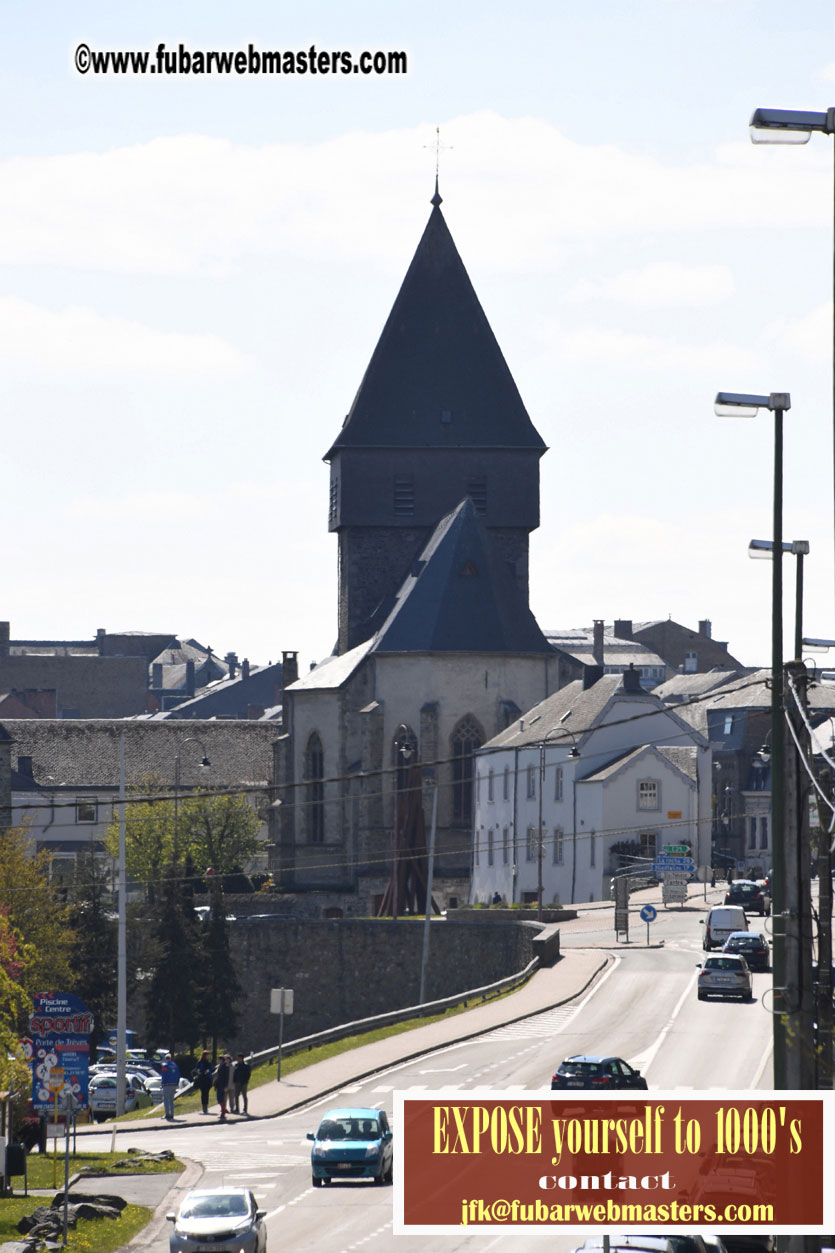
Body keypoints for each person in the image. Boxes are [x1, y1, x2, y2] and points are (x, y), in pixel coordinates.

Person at [160, 1053, 180, 1121]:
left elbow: (164, 1075)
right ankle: (172, 1114)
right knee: (171, 1100)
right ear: (170, 1058)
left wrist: (162, 1083)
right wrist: (177, 1083)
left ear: (166, 1059)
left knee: (166, 1100)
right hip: (174, 1084)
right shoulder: (175, 1065)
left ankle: (167, 1114)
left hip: (167, 1084)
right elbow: (178, 1074)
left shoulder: (165, 1065)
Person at [193, 1049, 213, 1115]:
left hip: (207, 1080)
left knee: (206, 1094)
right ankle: (203, 1107)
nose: (208, 1057)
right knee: (203, 1094)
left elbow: (211, 1069)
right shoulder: (200, 1062)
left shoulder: (208, 1062)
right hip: (201, 1080)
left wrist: (208, 1071)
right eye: (207, 1055)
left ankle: (206, 1106)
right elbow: (196, 1069)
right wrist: (199, 1072)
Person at [214, 1054, 231, 1120]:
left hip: (222, 1085)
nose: (218, 1061)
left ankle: (223, 1111)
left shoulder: (224, 1067)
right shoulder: (220, 1066)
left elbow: (226, 1077)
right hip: (219, 1084)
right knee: (219, 1098)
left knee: (220, 1098)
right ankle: (223, 1109)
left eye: (219, 1059)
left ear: (221, 1060)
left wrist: (226, 1086)